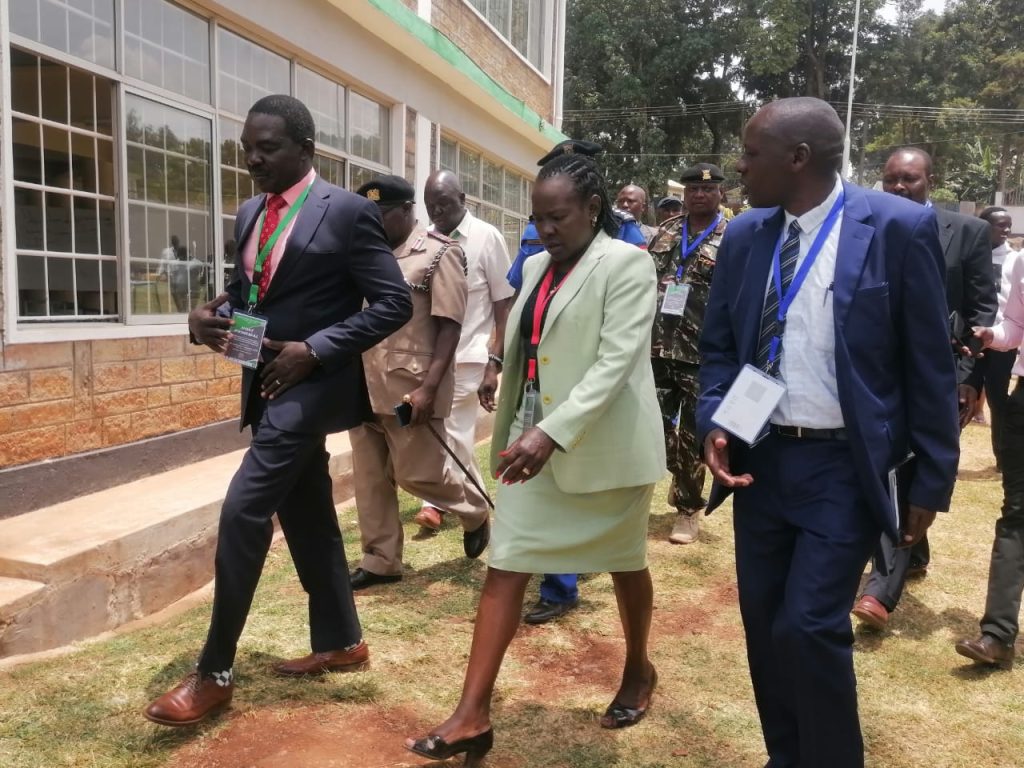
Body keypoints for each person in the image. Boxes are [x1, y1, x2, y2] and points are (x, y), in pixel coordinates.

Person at [698, 97, 959, 767]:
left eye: (751, 153)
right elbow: (720, 348)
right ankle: (787, 756)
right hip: (761, 463)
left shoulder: (896, 227)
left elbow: (928, 361)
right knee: (765, 625)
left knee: (809, 626)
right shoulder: (747, 233)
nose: (739, 165)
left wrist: (932, 477)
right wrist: (717, 420)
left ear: (798, 158)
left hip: (843, 467)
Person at [143, 95, 412, 726]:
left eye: (267, 148)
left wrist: (315, 350)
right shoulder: (248, 212)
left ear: (305, 150)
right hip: (262, 385)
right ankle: (342, 641)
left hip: (311, 390)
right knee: (309, 512)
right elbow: (249, 290)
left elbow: (392, 303)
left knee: (243, 510)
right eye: (247, 149)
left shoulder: (346, 213)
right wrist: (205, 318)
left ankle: (213, 672)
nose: (253, 160)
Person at [404, 151, 664, 766]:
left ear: (593, 209)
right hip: (529, 440)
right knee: (508, 561)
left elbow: (615, 362)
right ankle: (472, 714)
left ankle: (638, 669)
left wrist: (552, 432)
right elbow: (526, 338)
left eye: (558, 216)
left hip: (604, 447)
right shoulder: (539, 265)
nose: (545, 229)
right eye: (537, 217)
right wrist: (504, 378)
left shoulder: (627, 264)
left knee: (625, 564)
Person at [852, 147, 997, 629]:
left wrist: (970, 382)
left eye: (909, 180)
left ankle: (879, 590)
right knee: (894, 466)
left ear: (931, 180)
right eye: (890, 179)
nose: (898, 188)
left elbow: (981, 313)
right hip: (881, 373)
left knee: (910, 466)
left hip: (942, 376)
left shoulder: (969, 232)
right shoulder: (868, 226)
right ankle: (909, 554)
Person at [348, 175, 490, 589]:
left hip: (410, 385)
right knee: (370, 479)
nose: (373, 222)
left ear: (408, 210)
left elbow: (450, 326)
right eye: (367, 215)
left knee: (418, 476)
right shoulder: (362, 254)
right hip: (362, 382)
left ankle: (474, 510)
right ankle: (380, 560)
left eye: (382, 214)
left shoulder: (438, 253)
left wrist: (429, 387)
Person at [414, 170, 515, 532]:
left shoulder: (487, 238)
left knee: (453, 431)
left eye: (443, 204)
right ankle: (474, 503)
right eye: (430, 207)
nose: (436, 212)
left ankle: (459, 506)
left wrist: (494, 361)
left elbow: (504, 305)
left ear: (463, 200)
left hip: (470, 356)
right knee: (441, 433)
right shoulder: (424, 241)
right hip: (432, 359)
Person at [647, 163, 729, 545]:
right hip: (657, 346)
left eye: (707, 190)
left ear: (720, 195)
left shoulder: (732, 237)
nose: (699, 194)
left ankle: (687, 509)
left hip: (702, 352)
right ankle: (675, 478)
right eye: (693, 188)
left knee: (693, 433)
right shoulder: (665, 231)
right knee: (654, 425)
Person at [955, 241, 1024, 670]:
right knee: (1016, 513)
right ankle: (997, 635)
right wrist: (993, 335)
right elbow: (1016, 323)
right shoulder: (1020, 262)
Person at [977, 207, 1019, 470]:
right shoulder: (972, 254)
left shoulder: (1015, 260)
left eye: (1008, 225)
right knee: (960, 398)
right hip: (972, 339)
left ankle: (1002, 458)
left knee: (998, 400)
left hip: (1002, 340)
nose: (1005, 230)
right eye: (999, 225)